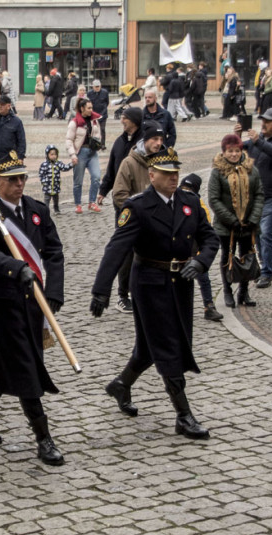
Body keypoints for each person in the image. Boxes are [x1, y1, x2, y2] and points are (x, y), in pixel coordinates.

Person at [90, 147, 219, 439]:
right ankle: (184, 416)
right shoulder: (137, 207)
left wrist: (200, 261)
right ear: (152, 175)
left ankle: (121, 385)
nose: (174, 178)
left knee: (151, 347)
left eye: (176, 172)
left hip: (181, 283)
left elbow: (210, 238)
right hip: (149, 283)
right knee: (168, 345)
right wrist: (102, 291)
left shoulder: (189, 202)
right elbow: (117, 248)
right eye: (167, 173)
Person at [0, 154, 66, 466]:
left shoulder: (37, 210)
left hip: (34, 302)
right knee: (26, 368)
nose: (20, 184)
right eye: (12, 180)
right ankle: (43, 439)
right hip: (4, 303)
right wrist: (16, 267)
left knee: (2, 367)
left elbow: (54, 251)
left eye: (22, 178)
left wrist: (55, 292)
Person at [235, 107, 272, 288]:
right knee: (257, 235)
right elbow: (235, 149)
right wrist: (236, 136)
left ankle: (267, 272)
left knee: (266, 233)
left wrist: (258, 141)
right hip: (254, 196)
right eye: (263, 121)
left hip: (271, 195)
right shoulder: (255, 141)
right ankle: (263, 268)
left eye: (267, 121)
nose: (263, 124)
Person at [209, 133, 264, 311]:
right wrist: (231, 220)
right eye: (230, 151)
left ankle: (244, 291)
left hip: (248, 223)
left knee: (247, 255)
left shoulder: (251, 170)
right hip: (227, 226)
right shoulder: (218, 172)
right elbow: (214, 199)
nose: (234, 154)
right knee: (227, 256)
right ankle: (227, 290)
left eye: (236, 151)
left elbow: (259, 195)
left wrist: (252, 218)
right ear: (224, 152)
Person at [97, 108, 144, 312]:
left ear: (134, 121)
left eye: (125, 118)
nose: (122, 120)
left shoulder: (145, 142)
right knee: (125, 251)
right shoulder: (119, 142)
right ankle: (123, 294)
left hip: (143, 206)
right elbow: (112, 170)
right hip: (123, 207)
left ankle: (140, 292)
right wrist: (103, 190)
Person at [179, 173, 222, 322]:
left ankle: (208, 306)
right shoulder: (174, 201)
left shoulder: (199, 205)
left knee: (204, 279)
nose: (185, 191)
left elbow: (206, 233)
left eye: (189, 189)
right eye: (183, 188)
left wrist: (200, 257)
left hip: (194, 253)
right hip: (177, 253)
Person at [65, 97, 103, 214]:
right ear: (82, 108)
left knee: (96, 177)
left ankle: (92, 202)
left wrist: (98, 143)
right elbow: (69, 140)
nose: (91, 110)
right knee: (78, 182)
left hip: (92, 152)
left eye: (92, 107)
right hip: (80, 153)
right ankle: (78, 204)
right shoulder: (74, 122)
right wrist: (72, 154)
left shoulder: (95, 120)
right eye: (89, 108)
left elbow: (98, 134)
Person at [38, 144, 72, 214]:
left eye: (55, 154)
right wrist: (44, 182)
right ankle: (46, 211)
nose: (54, 156)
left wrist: (72, 164)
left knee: (56, 199)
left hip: (56, 186)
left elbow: (65, 167)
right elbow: (41, 174)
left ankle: (56, 209)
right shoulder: (44, 164)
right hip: (47, 187)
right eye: (52, 154)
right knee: (47, 199)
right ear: (47, 155)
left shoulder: (58, 163)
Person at [87, 79, 110, 147]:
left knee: (102, 129)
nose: (97, 88)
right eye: (96, 86)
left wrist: (103, 113)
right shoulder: (89, 93)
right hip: (93, 114)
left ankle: (102, 144)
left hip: (103, 113)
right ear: (93, 87)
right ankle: (93, 143)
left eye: (98, 86)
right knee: (92, 129)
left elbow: (107, 102)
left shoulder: (105, 92)